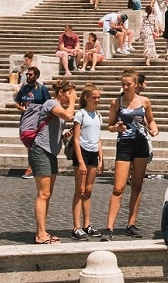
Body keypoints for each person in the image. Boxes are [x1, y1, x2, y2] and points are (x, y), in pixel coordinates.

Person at [101, 69, 159, 241]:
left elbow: (151, 119)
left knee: (137, 185)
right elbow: (109, 125)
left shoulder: (144, 101)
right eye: (123, 84)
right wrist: (116, 128)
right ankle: (109, 227)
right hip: (124, 144)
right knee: (118, 187)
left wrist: (154, 128)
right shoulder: (116, 103)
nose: (125, 87)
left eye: (128, 84)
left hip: (141, 143)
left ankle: (131, 224)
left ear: (135, 84)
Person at [29, 79, 76, 244]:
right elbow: (69, 115)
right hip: (40, 151)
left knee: (47, 194)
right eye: (69, 93)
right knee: (43, 194)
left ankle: (42, 231)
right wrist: (73, 101)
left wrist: (65, 135)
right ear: (61, 93)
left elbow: (56, 130)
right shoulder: (50, 103)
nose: (71, 97)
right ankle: (40, 234)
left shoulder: (58, 108)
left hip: (51, 153)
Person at [70, 84, 104, 240]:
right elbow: (76, 139)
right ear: (86, 98)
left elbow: (98, 139)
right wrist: (81, 161)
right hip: (82, 152)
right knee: (80, 190)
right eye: (94, 97)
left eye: (98, 97)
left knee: (89, 190)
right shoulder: (80, 114)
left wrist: (101, 158)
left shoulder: (98, 115)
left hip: (93, 153)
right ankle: (76, 226)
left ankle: (87, 224)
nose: (97, 100)